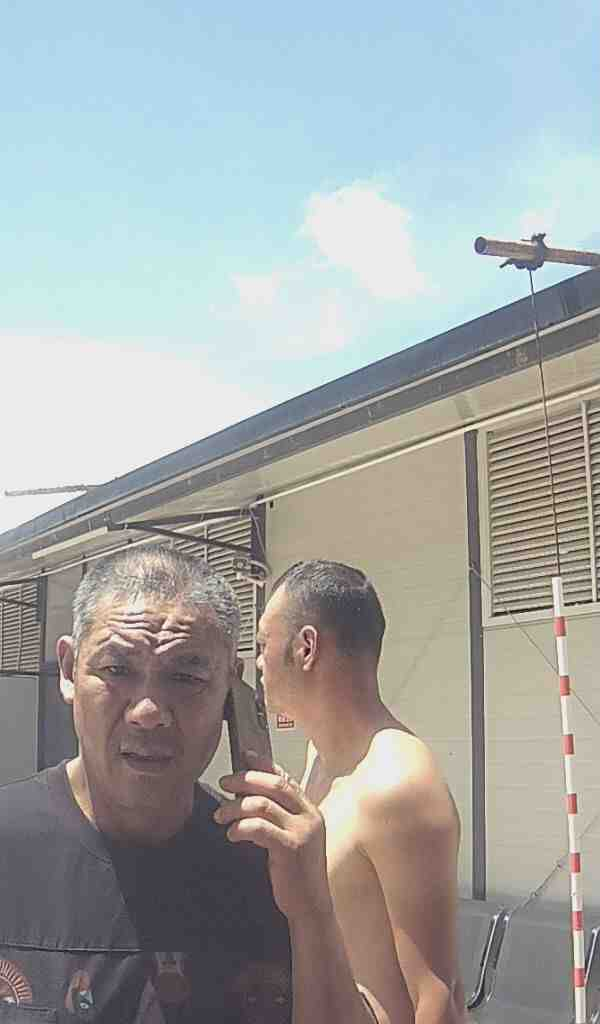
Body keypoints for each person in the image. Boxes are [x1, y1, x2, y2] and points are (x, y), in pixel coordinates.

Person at [0, 546, 386, 1024]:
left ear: (231, 688)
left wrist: (312, 914)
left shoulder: (272, 866)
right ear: (68, 670)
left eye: (185, 677)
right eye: (116, 670)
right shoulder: (9, 842)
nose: (148, 713)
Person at [257, 560, 465, 1024]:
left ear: (305, 647)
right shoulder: (319, 758)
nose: (258, 663)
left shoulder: (398, 784)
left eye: (262, 645)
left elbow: (437, 999)